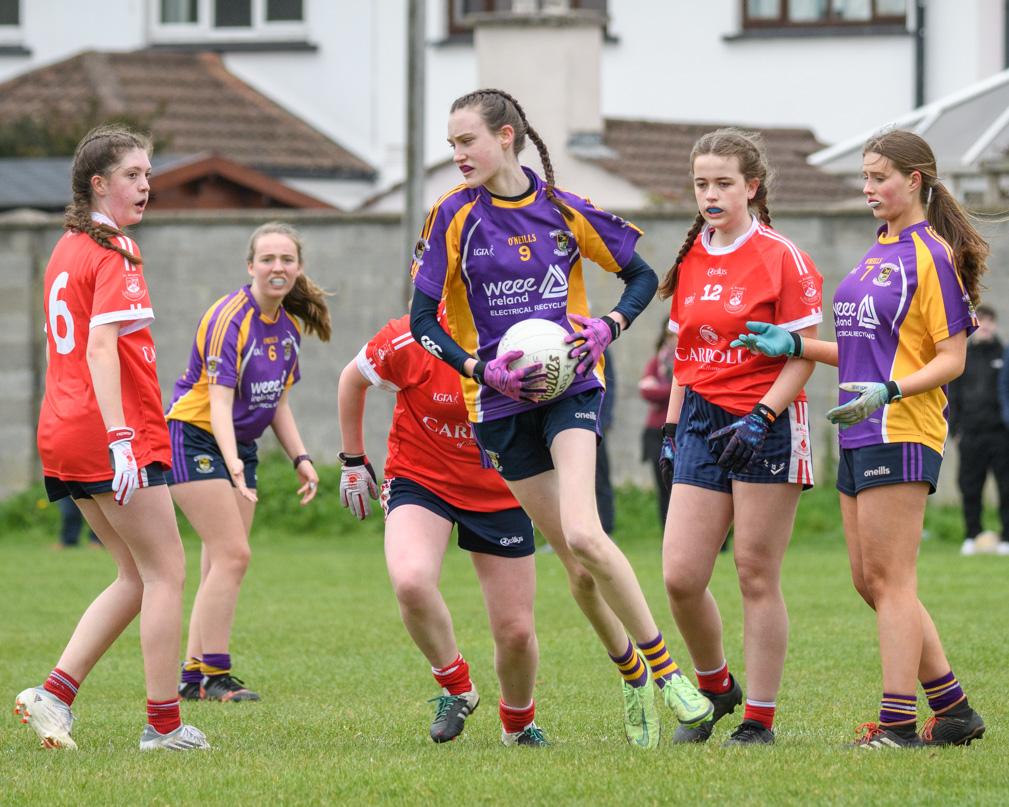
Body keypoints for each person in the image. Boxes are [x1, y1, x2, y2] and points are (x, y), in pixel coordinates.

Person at [408, 88, 713, 749]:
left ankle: (668, 677)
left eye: (468, 141)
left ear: (508, 135)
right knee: (576, 568)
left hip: (571, 387)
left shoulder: (562, 209)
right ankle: (630, 673)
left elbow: (641, 275)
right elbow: (421, 321)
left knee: (583, 533)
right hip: (496, 405)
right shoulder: (451, 217)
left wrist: (608, 326)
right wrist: (477, 367)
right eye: (452, 142)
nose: (457, 153)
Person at [734, 128, 988, 748]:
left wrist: (892, 391)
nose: (868, 188)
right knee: (867, 580)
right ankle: (954, 712)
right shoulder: (881, 248)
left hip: (901, 427)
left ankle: (898, 725)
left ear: (915, 181)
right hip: (859, 428)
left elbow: (953, 357)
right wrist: (795, 344)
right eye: (866, 177)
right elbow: (860, 349)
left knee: (892, 580)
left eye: (879, 178)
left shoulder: (932, 254)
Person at [16, 124, 208, 751]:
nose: (146, 185)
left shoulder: (68, 245)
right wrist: (123, 436)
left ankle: (54, 695)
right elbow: (101, 346)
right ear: (98, 184)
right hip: (108, 432)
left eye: (148, 173)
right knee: (166, 573)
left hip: (64, 430)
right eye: (132, 175)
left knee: (133, 573)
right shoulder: (114, 248)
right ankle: (164, 727)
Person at [655, 129, 821, 747]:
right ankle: (716, 685)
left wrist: (762, 418)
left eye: (724, 182)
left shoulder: (783, 255)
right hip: (698, 416)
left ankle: (759, 717)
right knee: (680, 575)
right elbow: (686, 351)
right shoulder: (693, 252)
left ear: (752, 187)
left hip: (767, 422)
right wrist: (671, 428)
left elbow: (802, 353)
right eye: (702, 183)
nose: (711, 194)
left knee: (754, 572)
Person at [338, 308, 548, 746]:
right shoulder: (408, 336)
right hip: (421, 477)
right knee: (411, 581)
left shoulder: (528, 335)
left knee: (516, 632)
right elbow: (351, 380)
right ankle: (457, 688)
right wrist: (353, 462)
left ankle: (518, 726)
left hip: (501, 488)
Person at [165, 221, 328, 702]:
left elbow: (276, 401)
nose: (277, 268)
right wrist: (233, 465)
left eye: (287, 260)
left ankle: (192, 680)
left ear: (298, 269)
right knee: (234, 556)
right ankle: (217, 675)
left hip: (240, 445)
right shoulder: (229, 318)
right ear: (250, 266)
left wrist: (300, 456)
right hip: (195, 438)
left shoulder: (290, 327)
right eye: (268, 259)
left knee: (221, 560)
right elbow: (217, 402)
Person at [948, 305, 1009, 555]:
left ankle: (1006, 537)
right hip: (970, 434)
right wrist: (956, 430)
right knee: (970, 486)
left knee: (1006, 486)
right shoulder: (963, 356)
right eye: (981, 320)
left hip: (1000, 434)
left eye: (990, 321)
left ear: (994, 324)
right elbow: (953, 395)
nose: (986, 325)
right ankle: (972, 535)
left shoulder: (1004, 355)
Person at [638, 324, 676, 526]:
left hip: (684, 431)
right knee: (664, 487)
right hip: (656, 432)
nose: (673, 339)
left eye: (676, 334)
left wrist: (662, 389)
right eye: (669, 335)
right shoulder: (656, 363)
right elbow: (645, 391)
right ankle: (667, 536)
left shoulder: (692, 361)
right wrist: (677, 388)